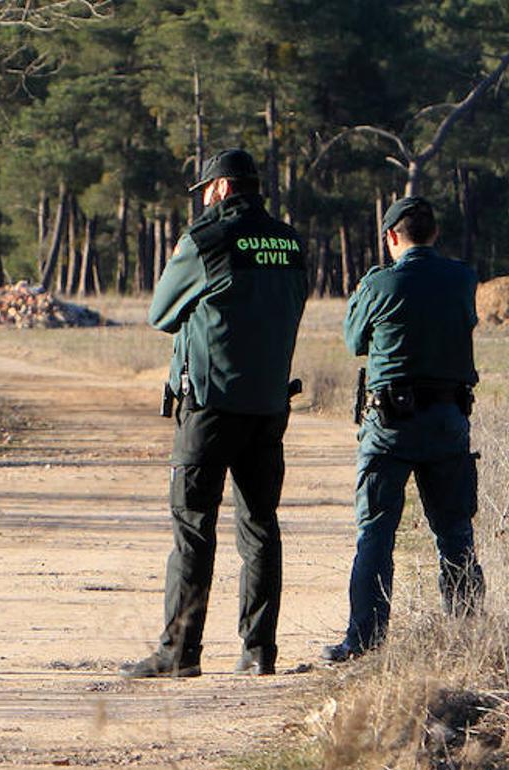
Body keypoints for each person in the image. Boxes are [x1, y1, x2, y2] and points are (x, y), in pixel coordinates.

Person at [120, 149, 308, 679]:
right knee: (260, 527)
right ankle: (257, 652)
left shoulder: (205, 240)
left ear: (221, 189)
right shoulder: (290, 243)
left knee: (194, 527)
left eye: (204, 191)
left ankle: (179, 653)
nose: (202, 201)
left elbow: (161, 314)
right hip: (270, 406)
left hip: (209, 407)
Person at [321, 196, 484, 663]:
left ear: (392, 236)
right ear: (434, 234)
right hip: (449, 422)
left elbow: (354, 341)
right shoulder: (462, 279)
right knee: (455, 533)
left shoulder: (380, 283)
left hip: (389, 427)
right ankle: (466, 638)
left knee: (375, 533)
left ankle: (365, 641)